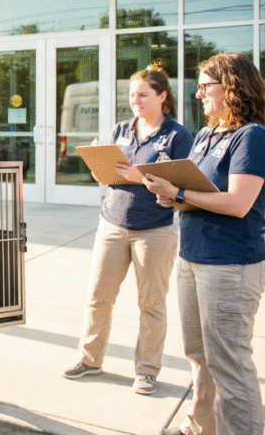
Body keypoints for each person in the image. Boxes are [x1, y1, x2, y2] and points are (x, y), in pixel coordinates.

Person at [143, 53, 265, 435]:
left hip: (229, 264)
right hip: (191, 256)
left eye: (204, 87)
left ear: (230, 86)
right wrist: (171, 195)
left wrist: (179, 192)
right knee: (197, 355)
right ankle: (200, 426)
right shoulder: (207, 134)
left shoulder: (252, 135)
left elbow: (239, 203)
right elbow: (197, 193)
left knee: (229, 364)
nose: (197, 95)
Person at [62, 67, 193, 395]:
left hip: (154, 230)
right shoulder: (120, 129)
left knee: (151, 304)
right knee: (98, 298)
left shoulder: (177, 136)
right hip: (112, 224)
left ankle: (147, 370)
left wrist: (141, 178)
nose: (135, 100)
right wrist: (98, 166)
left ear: (162, 96)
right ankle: (90, 360)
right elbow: (109, 176)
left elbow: (183, 186)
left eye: (143, 94)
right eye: (133, 95)